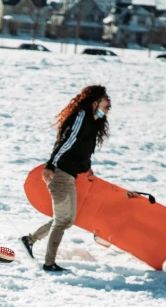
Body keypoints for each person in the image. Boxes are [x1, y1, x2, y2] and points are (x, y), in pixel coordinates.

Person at [22, 85, 111, 272]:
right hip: (59, 173)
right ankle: (49, 263)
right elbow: (67, 142)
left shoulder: (92, 122)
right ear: (94, 102)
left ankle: (29, 240)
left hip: (68, 175)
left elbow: (82, 151)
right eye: (105, 102)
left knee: (67, 220)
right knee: (62, 220)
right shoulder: (81, 117)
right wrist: (50, 164)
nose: (108, 105)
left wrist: (87, 169)